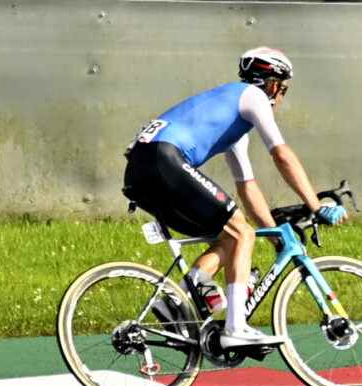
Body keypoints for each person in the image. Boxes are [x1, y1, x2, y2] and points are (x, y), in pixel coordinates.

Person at [122, 47, 346, 353]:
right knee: (242, 231)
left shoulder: (233, 120)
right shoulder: (252, 96)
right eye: (284, 89)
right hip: (165, 159)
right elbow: (282, 155)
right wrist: (315, 205)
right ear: (273, 84)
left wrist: (276, 238)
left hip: (139, 170)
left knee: (233, 235)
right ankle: (236, 327)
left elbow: (247, 187)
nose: (282, 96)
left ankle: (173, 303)